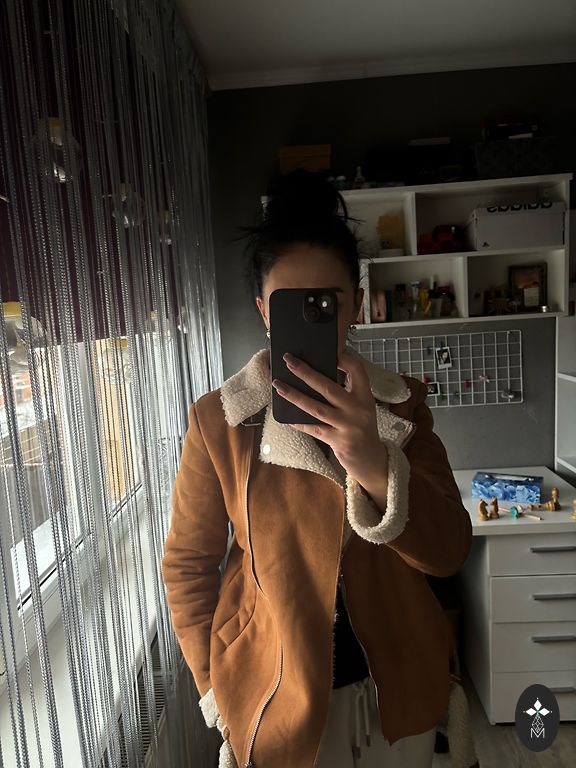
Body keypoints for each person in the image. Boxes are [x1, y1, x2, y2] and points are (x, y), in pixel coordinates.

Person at [162, 170, 478, 768]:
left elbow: (449, 552)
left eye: (325, 302)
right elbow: (187, 566)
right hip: (275, 697)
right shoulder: (219, 424)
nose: (311, 319)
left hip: (399, 689)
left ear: (355, 303)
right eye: (290, 304)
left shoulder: (403, 407)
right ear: (263, 310)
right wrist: (215, 690)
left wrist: (375, 462)